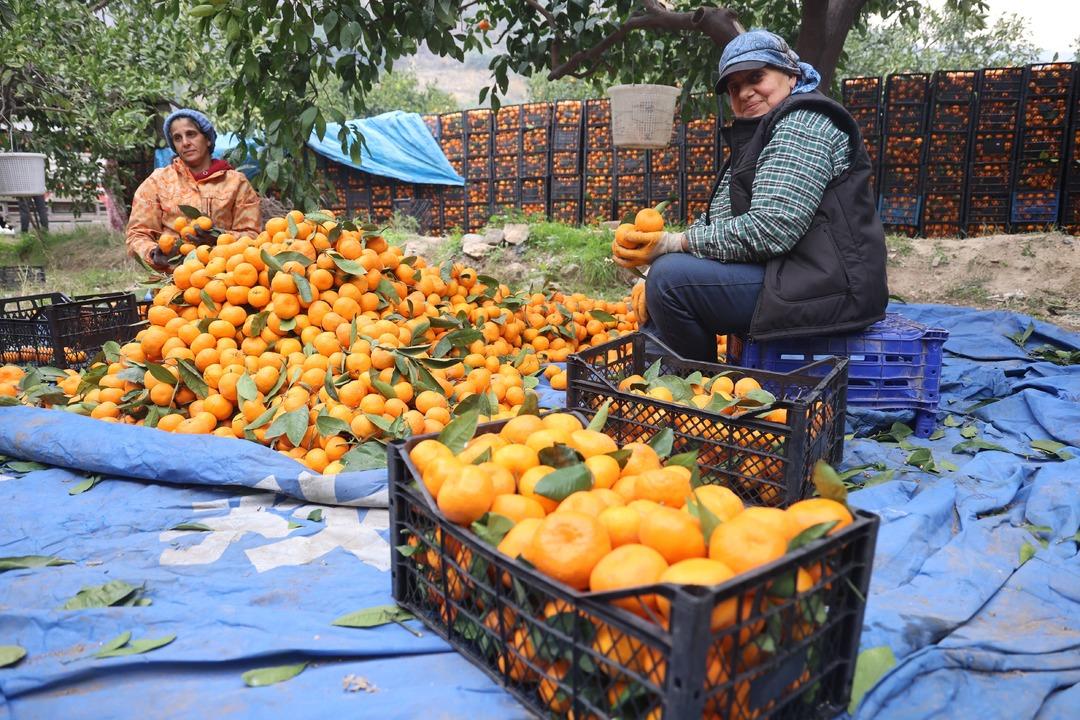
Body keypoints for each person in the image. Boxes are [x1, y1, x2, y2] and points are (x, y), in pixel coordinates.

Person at [614, 29, 888, 362]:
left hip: (831, 287)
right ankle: (667, 382)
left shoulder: (804, 123)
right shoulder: (764, 131)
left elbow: (771, 228)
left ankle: (697, 389)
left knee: (672, 282)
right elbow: (722, 219)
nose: (745, 92)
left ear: (790, 75)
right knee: (665, 278)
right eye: (734, 86)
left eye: (756, 77)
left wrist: (674, 247)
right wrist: (653, 263)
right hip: (793, 273)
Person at [126, 109, 261, 271]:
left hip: (225, 281)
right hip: (173, 282)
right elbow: (137, 234)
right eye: (177, 138)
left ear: (208, 139)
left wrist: (218, 238)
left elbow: (253, 237)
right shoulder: (158, 182)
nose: (185, 143)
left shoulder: (236, 183)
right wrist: (153, 253)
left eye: (191, 134)